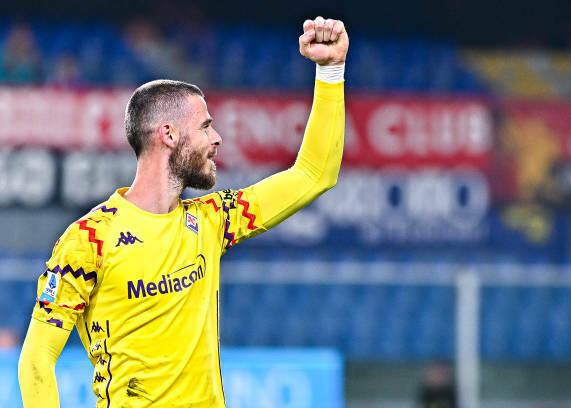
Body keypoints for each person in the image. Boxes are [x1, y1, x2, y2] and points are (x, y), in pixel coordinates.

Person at [18, 16, 348, 408]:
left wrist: (331, 72)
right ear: (170, 135)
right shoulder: (89, 240)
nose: (217, 138)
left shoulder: (213, 220)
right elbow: (36, 359)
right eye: (206, 126)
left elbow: (314, 174)